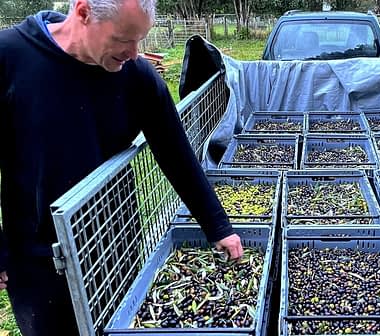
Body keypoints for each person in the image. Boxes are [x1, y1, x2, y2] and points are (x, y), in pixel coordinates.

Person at [0, 0, 244, 335]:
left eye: (139, 39)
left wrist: (218, 225)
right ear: (84, 13)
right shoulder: (10, 56)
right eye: (123, 39)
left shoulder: (136, 76)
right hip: (39, 261)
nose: (134, 52)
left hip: (116, 247)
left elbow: (176, 153)